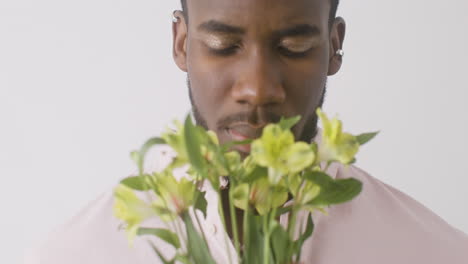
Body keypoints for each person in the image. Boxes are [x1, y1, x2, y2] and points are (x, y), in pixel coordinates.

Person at [24, 0, 468, 263]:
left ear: (334, 47)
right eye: (223, 46)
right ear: (182, 44)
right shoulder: (75, 253)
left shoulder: (436, 252)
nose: (257, 90)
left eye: (294, 47)